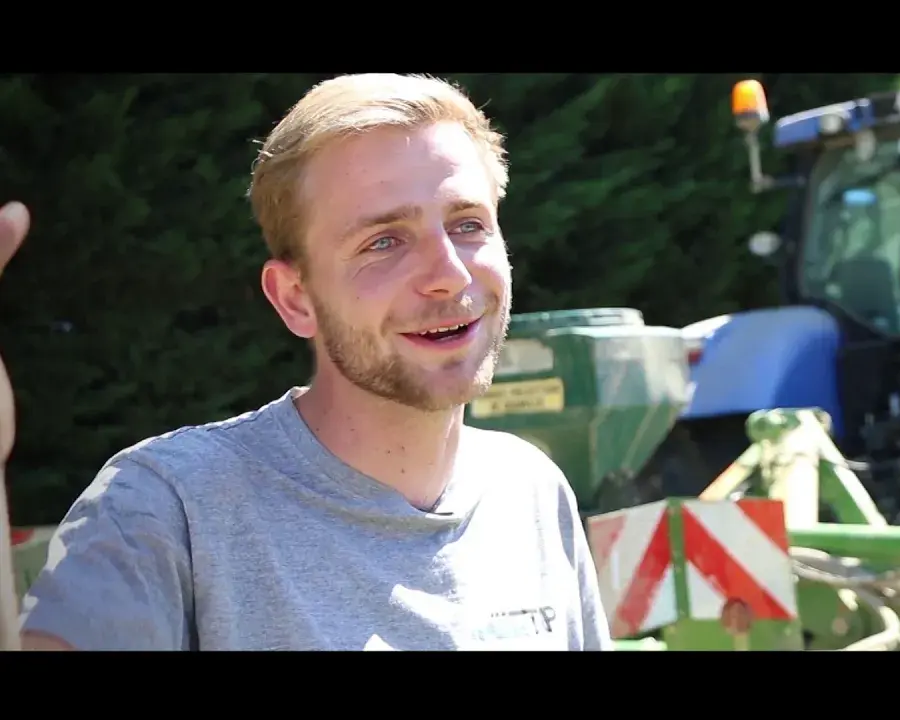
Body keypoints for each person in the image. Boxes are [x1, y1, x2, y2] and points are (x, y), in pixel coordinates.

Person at [10, 74, 613, 650]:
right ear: (296, 299)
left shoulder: (529, 490)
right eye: (384, 241)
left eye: (468, 224)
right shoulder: (169, 505)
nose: (449, 274)